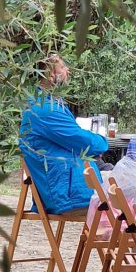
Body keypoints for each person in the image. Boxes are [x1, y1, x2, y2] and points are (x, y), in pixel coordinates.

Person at [18, 54, 108, 214]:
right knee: (135, 197)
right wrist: (102, 142)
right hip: (68, 196)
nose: (69, 71)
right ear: (50, 74)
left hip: (68, 188)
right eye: (64, 67)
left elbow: (74, 139)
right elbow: (82, 141)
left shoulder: (47, 104)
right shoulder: (45, 109)